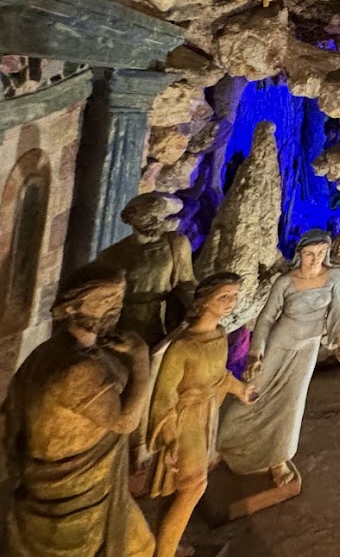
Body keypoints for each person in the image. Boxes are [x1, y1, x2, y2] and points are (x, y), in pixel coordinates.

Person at [2, 264, 155, 557]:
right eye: (104, 300)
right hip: (74, 493)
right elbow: (124, 422)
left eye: (118, 299)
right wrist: (140, 358)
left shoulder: (57, 350)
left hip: (90, 482)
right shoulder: (77, 369)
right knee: (137, 548)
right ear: (72, 307)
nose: (115, 307)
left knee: (141, 545)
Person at [215, 230, 340, 488]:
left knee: (291, 404)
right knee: (255, 391)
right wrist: (256, 353)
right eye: (310, 254)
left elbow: (338, 309)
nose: (315, 259)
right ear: (300, 254)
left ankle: (278, 459)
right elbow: (266, 319)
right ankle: (224, 442)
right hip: (280, 344)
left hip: (307, 348)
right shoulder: (285, 282)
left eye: (321, 253)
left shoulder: (334, 276)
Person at [145, 273, 255, 557]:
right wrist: (168, 437)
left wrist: (240, 389)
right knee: (193, 486)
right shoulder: (182, 347)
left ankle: (167, 543)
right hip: (185, 423)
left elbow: (219, 377)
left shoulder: (219, 336)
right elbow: (164, 396)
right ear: (204, 301)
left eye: (233, 296)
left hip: (207, 417)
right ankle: (164, 553)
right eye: (223, 297)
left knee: (184, 488)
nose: (231, 302)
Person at [95, 193, 195, 346]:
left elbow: (187, 282)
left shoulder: (176, 244)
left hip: (165, 318)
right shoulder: (113, 255)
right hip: (129, 323)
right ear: (133, 218)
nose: (156, 222)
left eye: (159, 216)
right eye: (149, 217)